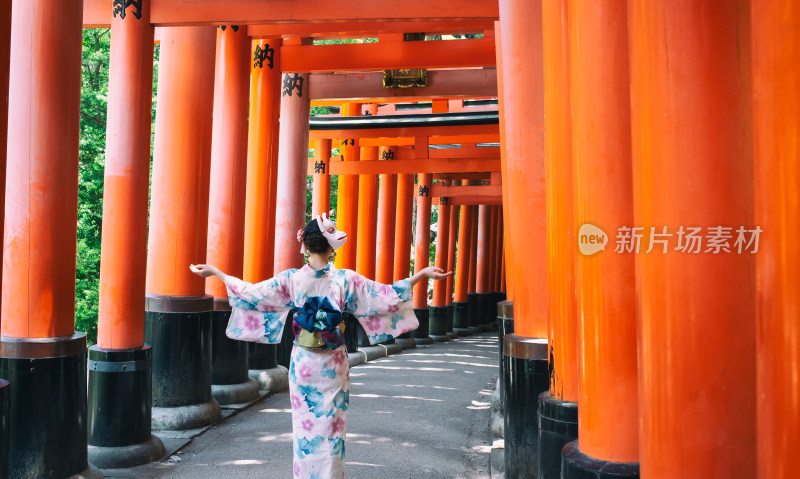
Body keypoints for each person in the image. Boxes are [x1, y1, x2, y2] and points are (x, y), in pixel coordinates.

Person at [190, 212, 451, 479]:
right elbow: (386, 297)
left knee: (305, 432)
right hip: (333, 364)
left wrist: (216, 273)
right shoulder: (345, 280)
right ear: (330, 247)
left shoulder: (291, 279)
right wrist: (421, 274)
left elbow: (251, 294)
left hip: (303, 362)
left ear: (305, 245)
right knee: (332, 430)